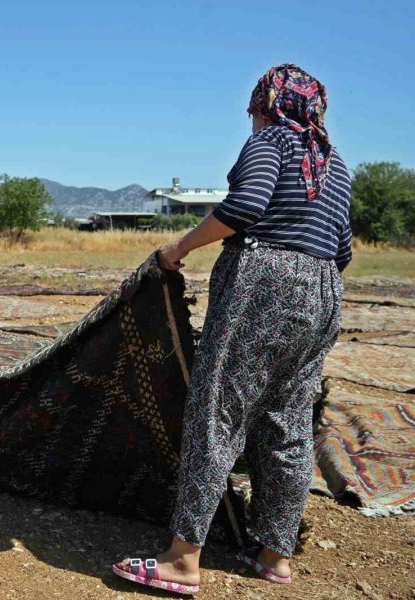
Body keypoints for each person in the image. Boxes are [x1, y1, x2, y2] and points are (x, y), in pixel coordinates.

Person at [113, 64, 352, 595]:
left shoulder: (273, 141)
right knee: (286, 422)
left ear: (266, 105)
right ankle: (275, 556)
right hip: (323, 289)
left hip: (265, 278)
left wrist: (178, 250)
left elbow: (243, 207)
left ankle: (182, 559)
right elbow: (343, 250)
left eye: (253, 108)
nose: (251, 117)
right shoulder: (336, 165)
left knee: (217, 411)